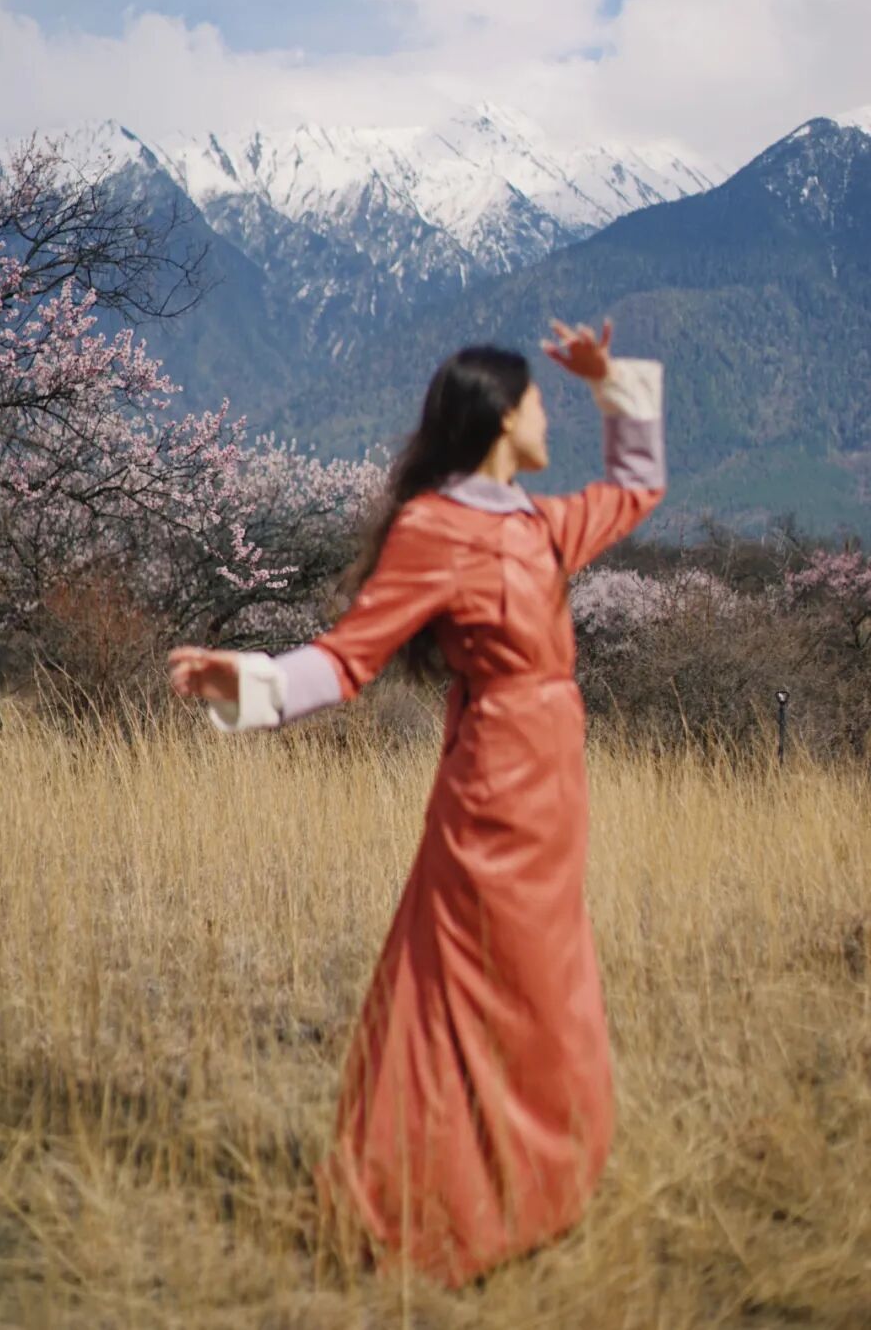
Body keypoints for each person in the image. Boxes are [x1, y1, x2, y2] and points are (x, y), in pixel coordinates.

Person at [169, 319, 666, 1288]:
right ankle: (432, 1212)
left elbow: (639, 486)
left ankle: (526, 1198)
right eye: (539, 400)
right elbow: (349, 657)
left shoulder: (539, 525)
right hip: (493, 793)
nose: (547, 415)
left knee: (545, 990)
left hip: (554, 785)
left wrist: (610, 380)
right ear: (502, 415)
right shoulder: (434, 529)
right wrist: (254, 683)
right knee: (475, 988)